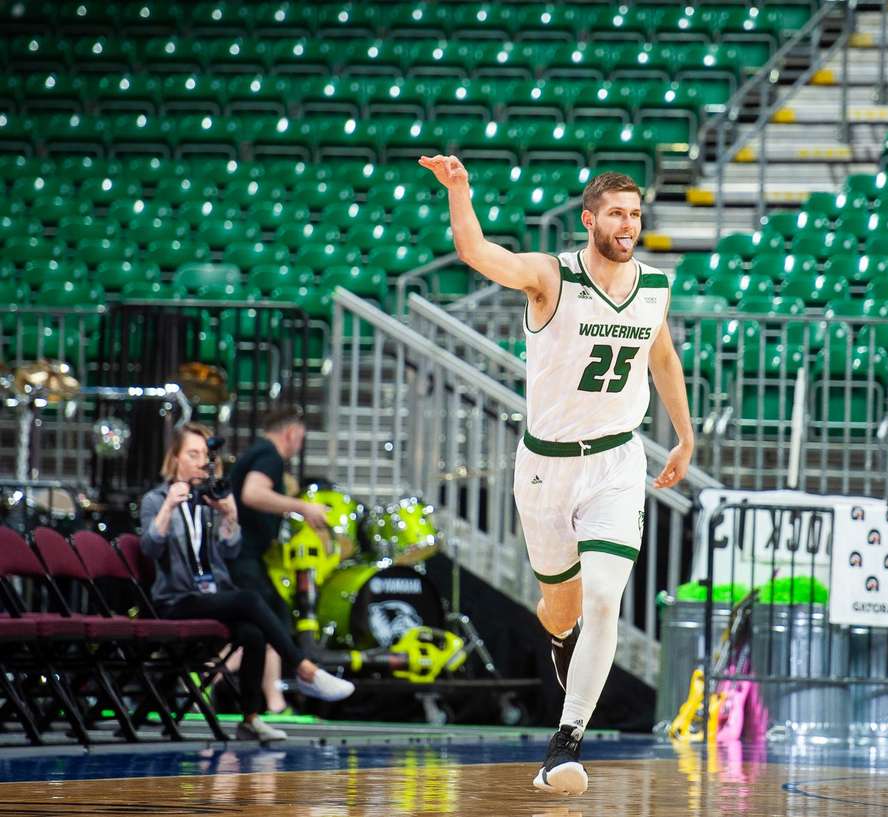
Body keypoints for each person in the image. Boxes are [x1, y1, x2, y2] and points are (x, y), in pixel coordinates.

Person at [420, 155, 694, 796]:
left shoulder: (654, 285)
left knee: (604, 599)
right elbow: (476, 251)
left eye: (635, 214)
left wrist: (685, 434)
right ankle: (560, 638)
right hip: (546, 466)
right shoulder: (551, 276)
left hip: (617, 462)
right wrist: (460, 192)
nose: (628, 224)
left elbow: (663, 356)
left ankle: (565, 745)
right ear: (589, 218)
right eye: (617, 214)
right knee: (561, 609)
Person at [139, 422, 354, 742]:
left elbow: (230, 550)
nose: (200, 461)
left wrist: (230, 516)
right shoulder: (155, 500)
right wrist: (170, 506)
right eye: (192, 454)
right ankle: (304, 668)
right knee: (250, 600)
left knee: (253, 635)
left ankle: (250, 719)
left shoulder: (208, 502)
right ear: (175, 459)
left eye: (205, 456)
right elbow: (149, 548)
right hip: (175, 601)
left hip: (210, 596)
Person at [225, 405, 330, 712]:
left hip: (246, 556)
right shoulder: (269, 455)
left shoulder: (259, 453)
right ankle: (204, 676)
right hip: (242, 556)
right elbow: (252, 494)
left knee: (272, 625)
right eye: (301, 438)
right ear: (292, 432)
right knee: (268, 626)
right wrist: (303, 507)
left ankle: (274, 702)